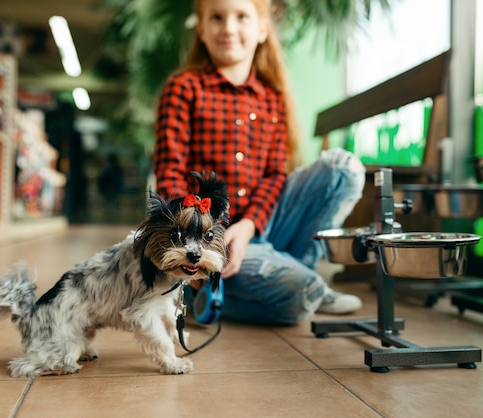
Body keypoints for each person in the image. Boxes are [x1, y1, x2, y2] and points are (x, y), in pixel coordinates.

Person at [154, 0, 366, 326]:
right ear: (202, 29)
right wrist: (200, 243)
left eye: (241, 17)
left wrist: (250, 224)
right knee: (300, 296)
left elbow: (273, 175)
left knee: (343, 168)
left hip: (262, 224)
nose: (228, 27)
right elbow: (170, 176)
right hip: (211, 240)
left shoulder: (270, 98)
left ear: (262, 29)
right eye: (217, 17)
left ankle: (288, 272)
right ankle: (204, 285)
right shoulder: (184, 89)